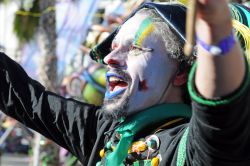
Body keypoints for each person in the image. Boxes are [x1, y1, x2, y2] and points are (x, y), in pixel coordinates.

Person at [0, 0, 250, 165]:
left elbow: (219, 114)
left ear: (181, 73)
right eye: (114, 47)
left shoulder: (187, 149)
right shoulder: (104, 131)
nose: (109, 58)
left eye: (135, 48)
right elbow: (25, 97)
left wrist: (216, 34)